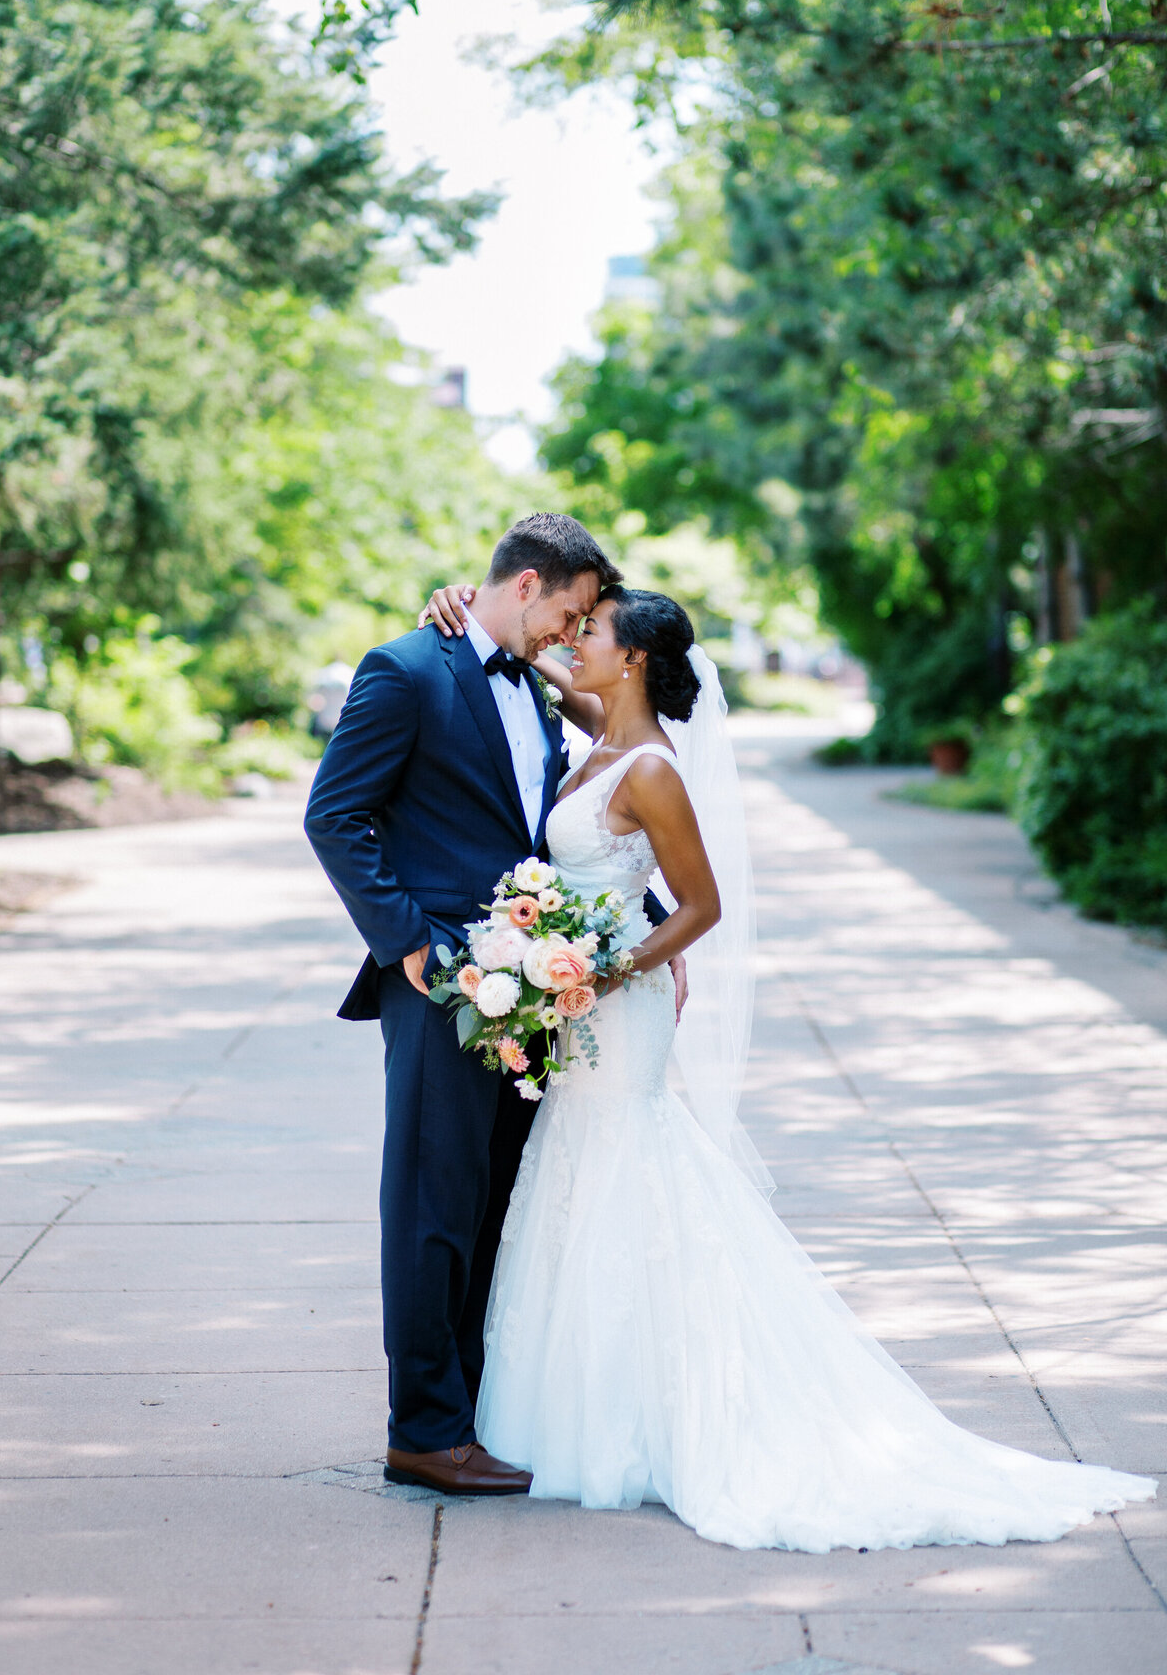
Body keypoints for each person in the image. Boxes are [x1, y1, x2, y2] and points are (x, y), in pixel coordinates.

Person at [418, 577, 1156, 1551]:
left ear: (632, 656)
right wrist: (468, 615)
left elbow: (700, 906)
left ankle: (651, 1414)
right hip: (583, 1003)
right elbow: (531, 657)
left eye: (591, 630)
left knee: (625, 1167)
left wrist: (603, 968)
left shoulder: (652, 768)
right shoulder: (599, 723)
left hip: (619, 1007)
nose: (575, 639)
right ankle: (582, 1406)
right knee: (578, 1166)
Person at [303, 515, 684, 1498]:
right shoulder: (406, 671)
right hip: (441, 990)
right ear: (525, 585)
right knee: (432, 1206)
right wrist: (412, 944)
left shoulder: (534, 687)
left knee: (493, 1205)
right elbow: (335, 815)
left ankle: (472, 1412)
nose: (574, 629)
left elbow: (586, 824)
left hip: (533, 996)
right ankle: (422, 1432)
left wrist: (653, 923)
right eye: (570, 609)